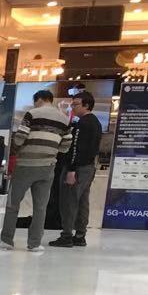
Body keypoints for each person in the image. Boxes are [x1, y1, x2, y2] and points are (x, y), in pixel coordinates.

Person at [0, 89, 71, 252]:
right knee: (40, 207)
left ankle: (7, 240)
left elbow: (20, 137)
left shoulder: (32, 113)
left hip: (26, 165)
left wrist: (16, 148)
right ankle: (35, 243)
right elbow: (66, 146)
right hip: (48, 167)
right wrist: (51, 151)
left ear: (38, 100)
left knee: (13, 204)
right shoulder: (65, 119)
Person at [51, 91, 103, 248]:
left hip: (77, 168)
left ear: (86, 105)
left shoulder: (83, 124)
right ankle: (80, 235)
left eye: (75, 104)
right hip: (88, 167)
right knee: (82, 201)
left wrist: (71, 169)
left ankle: (66, 235)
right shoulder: (95, 122)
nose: (73, 107)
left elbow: (76, 148)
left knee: (69, 201)